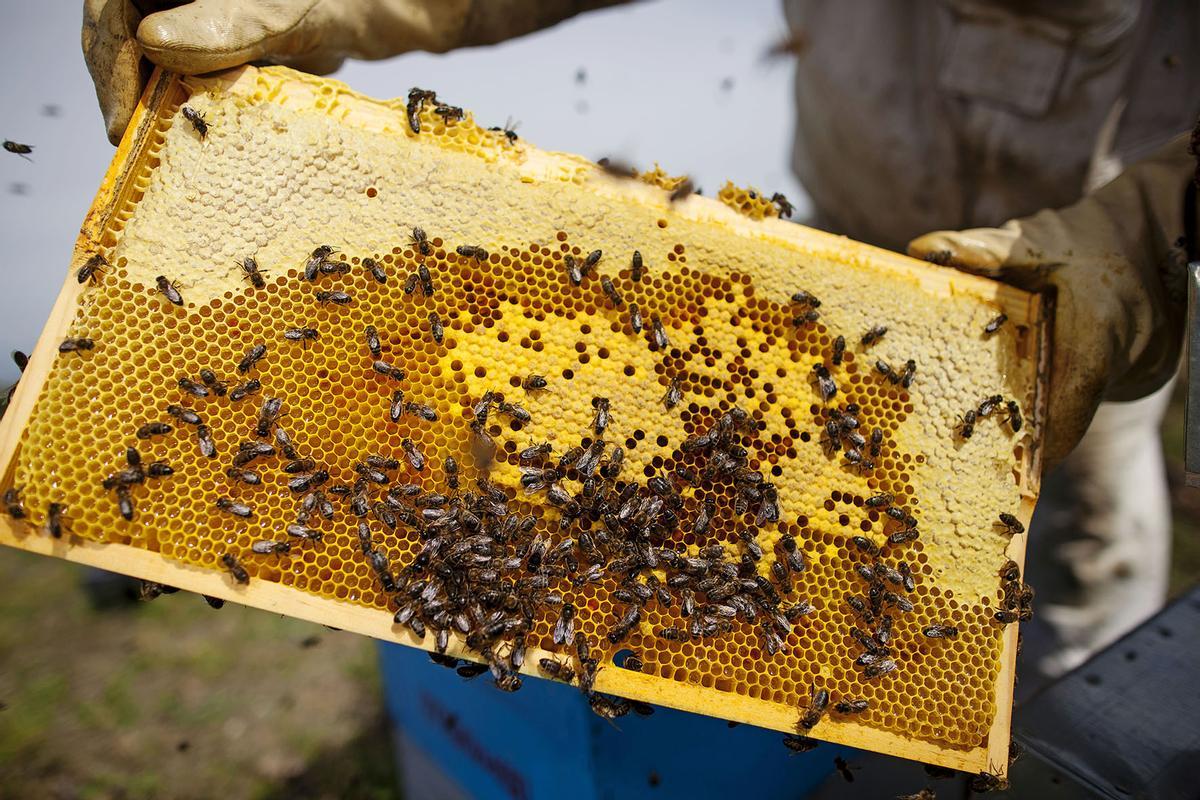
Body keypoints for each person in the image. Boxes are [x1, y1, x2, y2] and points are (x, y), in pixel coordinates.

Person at [84, 0, 1198, 687]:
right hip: (842, 276)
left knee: (1072, 594)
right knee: (802, 584)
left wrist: (1139, 240)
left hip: (1058, 312)